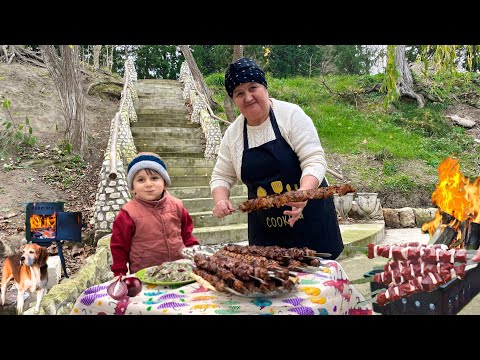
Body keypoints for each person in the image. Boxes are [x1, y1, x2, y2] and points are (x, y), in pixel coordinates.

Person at [210, 57, 344, 259]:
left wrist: (304, 193)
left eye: (252, 88)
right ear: (234, 99)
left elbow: (314, 159)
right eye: (239, 93)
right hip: (266, 233)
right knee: (270, 282)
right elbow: (221, 176)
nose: (248, 98)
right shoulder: (233, 135)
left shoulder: (290, 115)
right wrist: (220, 200)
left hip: (311, 223)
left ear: (264, 87)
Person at [110, 152, 199, 279]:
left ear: (165, 183)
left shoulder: (177, 206)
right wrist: (119, 274)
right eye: (141, 180)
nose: (148, 184)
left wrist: (196, 256)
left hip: (180, 271)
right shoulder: (127, 214)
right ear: (133, 188)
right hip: (145, 275)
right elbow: (119, 246)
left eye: (154, 178)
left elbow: (187, 235)